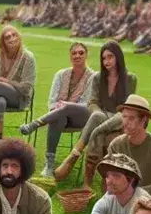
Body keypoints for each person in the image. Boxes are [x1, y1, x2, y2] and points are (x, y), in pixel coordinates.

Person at [53, 41, 137, 183]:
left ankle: (74, 158)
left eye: (110, 57)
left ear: (118, 57)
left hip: (120, 118)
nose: (106, 61)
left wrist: (98, 126)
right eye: (104, 58)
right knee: (97, 116)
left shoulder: (130, 78)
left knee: (97, 129)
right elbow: (92, 103)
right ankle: (85, 179)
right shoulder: (98, 78)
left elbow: (126, 108)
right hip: (100, 115)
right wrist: (99, 114)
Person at [19, 42, 95, 176]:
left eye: (81, 53)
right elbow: (52, 101)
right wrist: (61, 107)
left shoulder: (93, 77)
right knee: (58, 117)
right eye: (74, 53)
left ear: (86, 55)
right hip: (60, 116)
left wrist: (66, 105)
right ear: (70, 57)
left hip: (82, 116)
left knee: (64, 109)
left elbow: (86, 104)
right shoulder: (61, 74)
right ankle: (50, 163)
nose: (77, 55)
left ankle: (35, 124)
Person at [104, 94, 151, 200]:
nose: (126, 123)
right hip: (122, 199)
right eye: (124, 117)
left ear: (143, 120)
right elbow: (109, 176)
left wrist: (132, 194)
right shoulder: (116, 145)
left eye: (131, 118)